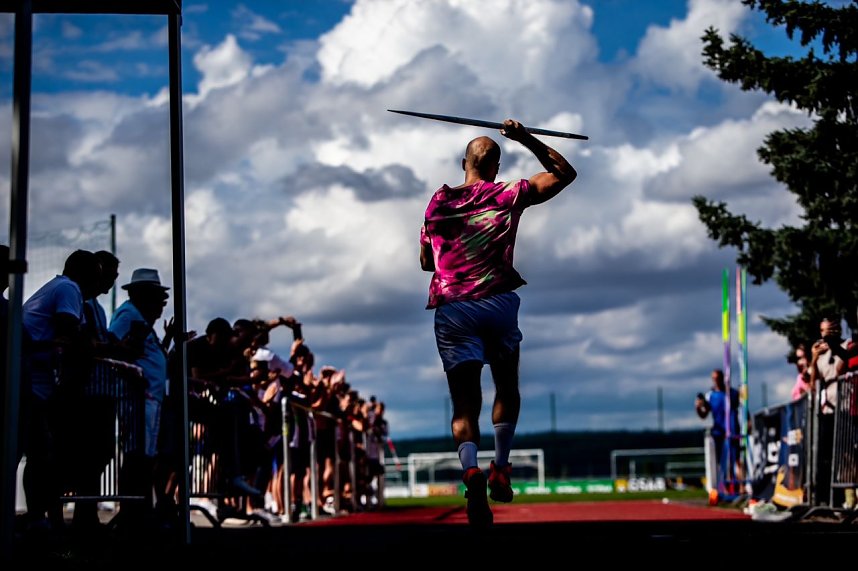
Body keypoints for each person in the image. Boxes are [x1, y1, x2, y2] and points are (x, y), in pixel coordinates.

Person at [419, 119, 577, 528]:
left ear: (463, 163)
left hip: (454, 306)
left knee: (464, 401)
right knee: (507, 385)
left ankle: (471, 470)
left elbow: (425, 263)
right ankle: (501, 464)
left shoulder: (437, 204)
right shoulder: (507, 193)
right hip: (497, 302)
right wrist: (526, 137)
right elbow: (565, 174)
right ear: (495, 167)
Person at [808, 316, 849, 506]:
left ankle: (841, 499)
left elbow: (843, 368)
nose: (825, 334)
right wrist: (814, 358)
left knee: (843, 456)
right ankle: (822, 499)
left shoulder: (847, 345)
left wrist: (834, 346)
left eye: (829, 330)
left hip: (844, 407)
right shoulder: (819, 351)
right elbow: (813, 382)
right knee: (824, 456)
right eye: (823, 330)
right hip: (826, 409)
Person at [695, 368, 740, 491]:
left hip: (732, 430)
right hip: (719, 432)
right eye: (714, 378)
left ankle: (740, 487)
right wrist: (698, 407)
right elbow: (704, 415)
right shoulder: (710, 396)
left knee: (736, 459)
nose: (716, 381)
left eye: (717, 378)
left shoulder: (732, 393)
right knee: (722, 460)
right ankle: (725, 487)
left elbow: (740, 409)